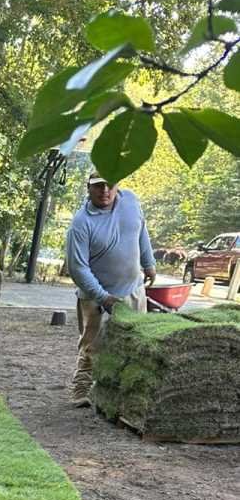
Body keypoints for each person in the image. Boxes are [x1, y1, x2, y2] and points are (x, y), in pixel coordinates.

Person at [64, 173, 157, 406]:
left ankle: (117, 393)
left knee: (134, 343)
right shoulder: (81, 223)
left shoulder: (131, 201)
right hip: (95, 296)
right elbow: (78, 269)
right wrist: (102, 297)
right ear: (88, 188)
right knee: (92, 346)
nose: (105, 190)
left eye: (110, 184)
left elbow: (141, 232)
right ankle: (80, 389)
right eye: (98, 186)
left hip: (133, 290)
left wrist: (149, 263)